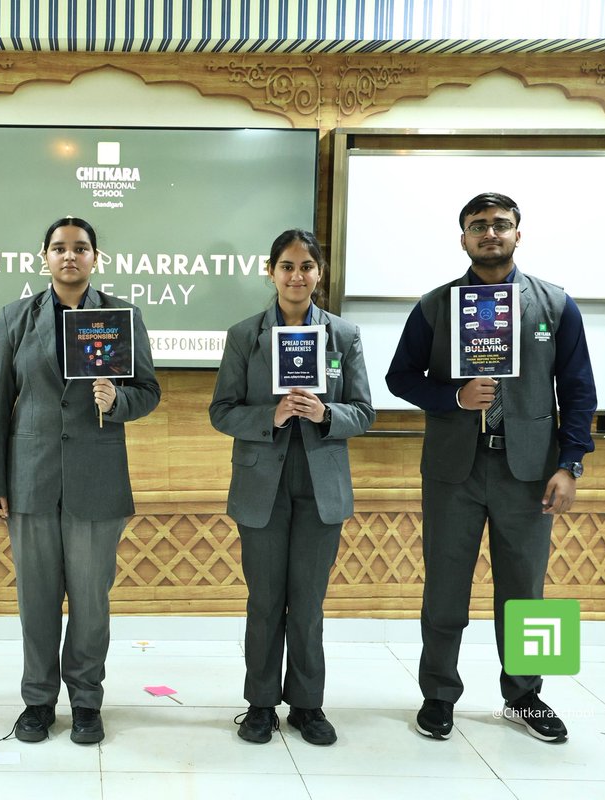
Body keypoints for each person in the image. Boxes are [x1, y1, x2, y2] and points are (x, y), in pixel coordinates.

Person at [386, 192, 596, 743]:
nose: (490, 233)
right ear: (463, 238)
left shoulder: (555, 304)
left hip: (529, 472)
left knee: (528, 592)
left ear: (518, 234)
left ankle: (527, 696)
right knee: (445, 589)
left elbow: (578, 390)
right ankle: (438, 695)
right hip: (455, 470)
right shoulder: (436, 306)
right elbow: (399, 378)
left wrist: (570, 463)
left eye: (501, 224)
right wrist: (454, 397)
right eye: (478, 225)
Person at [0, 217, 160, 744]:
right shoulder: (15, 318)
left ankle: (86, 701)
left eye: (80, 248)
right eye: (59, 248)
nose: (70, 257)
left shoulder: (121, 316)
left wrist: (118, 400)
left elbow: (147, 390)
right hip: (30, 479)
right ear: (44, 256)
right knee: (35, 600)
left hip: (97, 481)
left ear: (95, 258)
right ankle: (37, 701)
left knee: (90, 601)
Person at [209, 228, 374, 746]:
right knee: (264, 601)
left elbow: (365, 412)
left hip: (321, 483)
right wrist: (269, 415)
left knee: (307, 603)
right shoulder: (244, 335)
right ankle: (259, 704)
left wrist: (328, 414)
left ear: (319, 274)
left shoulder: (343, 336)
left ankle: (307, 704)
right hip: (263, 486)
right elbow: (221, 412)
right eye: (287, 266)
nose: (297, 275)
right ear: (271, 272)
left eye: (306, 266)